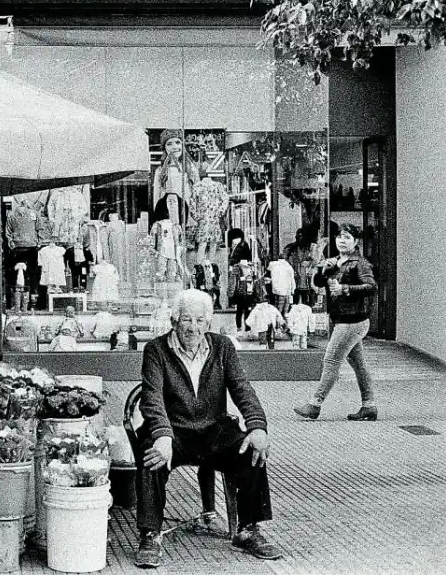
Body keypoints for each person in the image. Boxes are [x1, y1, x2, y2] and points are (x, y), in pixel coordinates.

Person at [135, 289, 281, 568]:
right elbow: (151, 398)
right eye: (186, 320)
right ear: (174, 321)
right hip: (173, 431)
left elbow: (242, 388)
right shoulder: (155, 349)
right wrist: (162, 435)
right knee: (150, 457)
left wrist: (257, 426)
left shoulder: (222, 346)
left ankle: (248, 529)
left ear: (208, 323)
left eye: (200, 321)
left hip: (213, 430)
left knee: (251, 450)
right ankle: (150, 534)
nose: (193, 327)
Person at [294, 224, 378, 421]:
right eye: (339, 237)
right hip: (345, 319)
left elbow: (371, 286)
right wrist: (324, 271)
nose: (341, 240)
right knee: (358, 364)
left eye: (347, 237)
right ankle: (369, 405)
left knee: (331, 360)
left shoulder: (360, 263)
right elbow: (320, 284)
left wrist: (345, 288)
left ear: (355, 242)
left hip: (352, 321)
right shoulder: (337, 261)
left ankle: (315, 404)